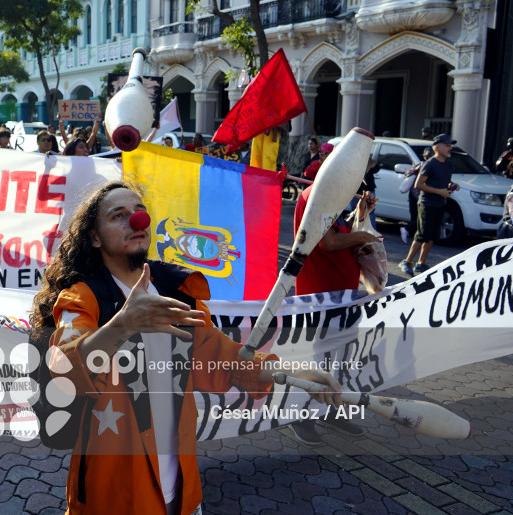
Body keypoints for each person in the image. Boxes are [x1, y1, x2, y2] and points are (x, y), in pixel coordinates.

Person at [30, 182, 343, 514]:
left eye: (138, 211)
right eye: (118, 216)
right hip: (114, 499)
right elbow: (64, 366)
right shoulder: (82, 298)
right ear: (95, 237)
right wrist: (123, 324)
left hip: (181, 497)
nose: (135, 220)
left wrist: (294, 372)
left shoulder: (177, 292)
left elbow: (224, 358)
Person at [289, 181, 379, 445]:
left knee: (337, 361)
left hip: (341, 298)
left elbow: (339, 229)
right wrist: (364, 237)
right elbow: (328, 242)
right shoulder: (317, 195)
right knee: (316, 363)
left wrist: (361, 215)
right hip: (320, 298)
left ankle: (330, 410)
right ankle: (300, 416)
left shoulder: (334, 195)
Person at [399, 134, 460, 275]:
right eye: (447, 145)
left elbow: (444, 183)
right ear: (437, 148)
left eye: (450, 145)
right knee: (422, 235)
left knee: (432, 236)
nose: (450, 148)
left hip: (439, 204)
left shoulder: (448, 165)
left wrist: (452, 185)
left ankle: (421, 263)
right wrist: (439, 191)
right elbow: (418, 185)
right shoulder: (430, 164)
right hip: (427, 204)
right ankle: (406, 261)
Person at [400, 147, 434, 243]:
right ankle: (407, 230)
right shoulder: (425, 165)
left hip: (416, 195)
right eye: (431, 155)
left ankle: (413, 236)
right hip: (419, 196)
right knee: (420, 218)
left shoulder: (420, 165)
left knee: (417, 218)